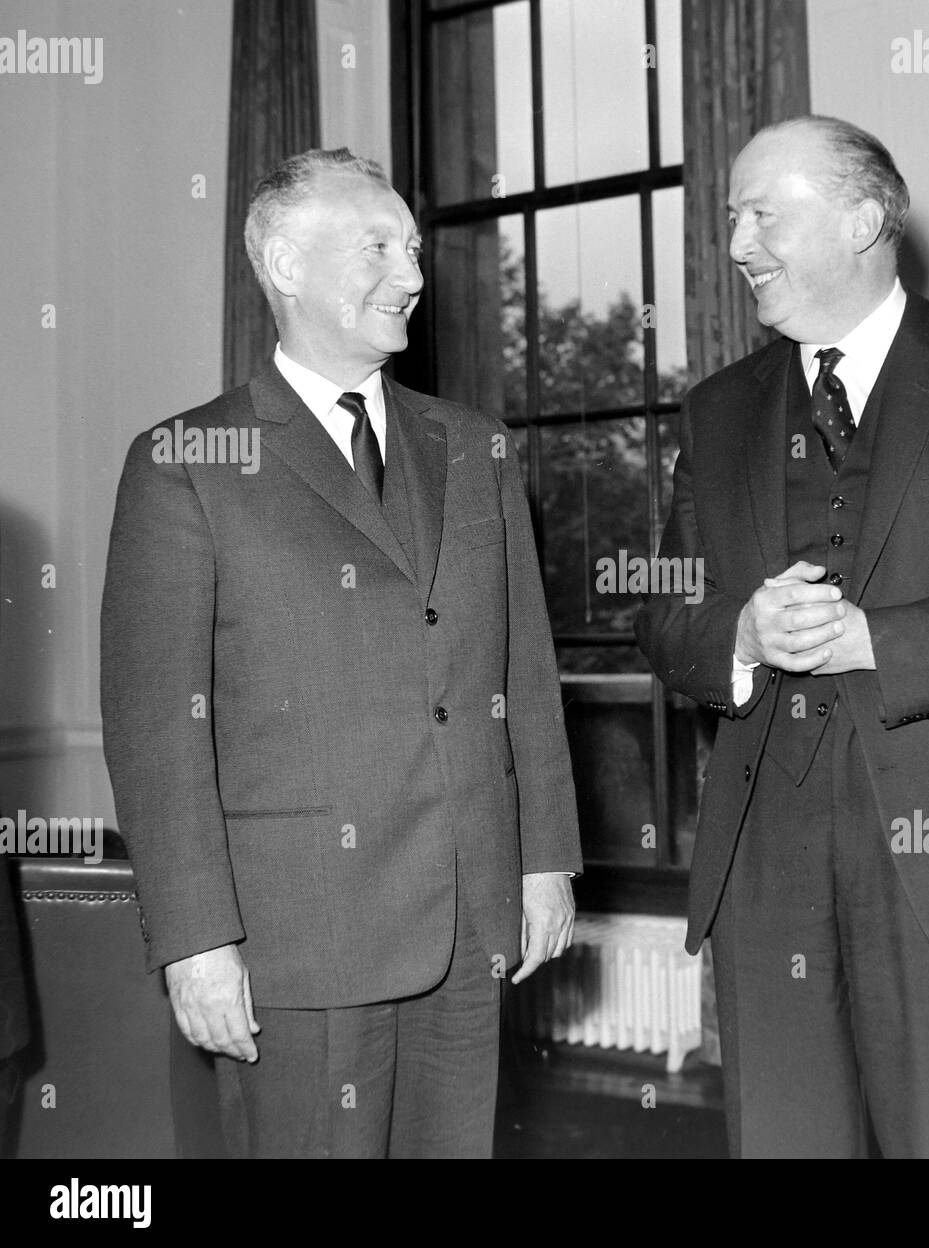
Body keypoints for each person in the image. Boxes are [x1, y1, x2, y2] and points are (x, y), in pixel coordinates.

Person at [636, 116, 929, 1158]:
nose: (736, 244)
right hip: (766, 858)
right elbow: (665, 610)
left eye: (762, 213)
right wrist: (741, 631)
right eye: (731, 217)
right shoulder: (716, 410)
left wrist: (875, 642)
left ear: (863, 218)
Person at [101, 148, 581, 1159]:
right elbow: (157, 732)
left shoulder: (474, 445)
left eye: (412, 249)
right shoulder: (185, 463)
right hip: (298, 941)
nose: (410, 276)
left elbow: (520, 675)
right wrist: (195, 940)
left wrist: (543, 861)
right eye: (376, 248)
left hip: (466, 923)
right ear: (283, 262)